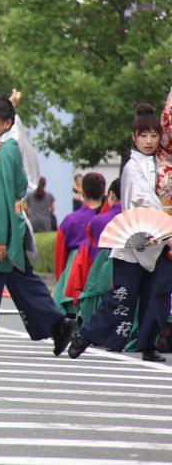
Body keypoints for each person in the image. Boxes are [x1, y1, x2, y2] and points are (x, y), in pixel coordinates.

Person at [0, 91, 75, 357]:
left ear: (7, 123)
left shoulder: (4, 151)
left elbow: (2, 195)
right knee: (22, 281)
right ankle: (58, 325)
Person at [69, 103, 172, 362]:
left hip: (162, 240)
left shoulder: (163, 164)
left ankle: (149, 344)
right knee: (123, 297)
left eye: (154, 135)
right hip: (136, 239)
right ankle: (86, 335)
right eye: (143, 135)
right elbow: (139, 200)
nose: (149, 141)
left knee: (157, 294)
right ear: (134, 137)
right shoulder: (132, 166)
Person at [67, 178, 121, 324]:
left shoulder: (94, 221)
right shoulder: (134, 219)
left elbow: (62, 252)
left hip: (97, 269)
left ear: (111, 195)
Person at [52, 172, 106, 315]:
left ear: (82, 192)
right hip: (100, 272)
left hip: (73, 272)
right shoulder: (106, 219)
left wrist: (61, 282)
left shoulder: (70, 220)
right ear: (104, 192)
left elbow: (60, 256)